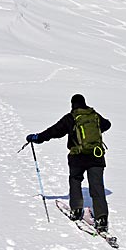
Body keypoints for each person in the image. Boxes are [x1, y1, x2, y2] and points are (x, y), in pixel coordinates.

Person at [26, 94, 112, 231]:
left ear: (73, 104)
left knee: (75, 180)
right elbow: (107, 124)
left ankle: (77, 210)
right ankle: (102, 219)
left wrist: (37, 138)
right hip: (97, 156)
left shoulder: (70, 118)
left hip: (78, 157)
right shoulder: (94, 115)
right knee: (97, 187)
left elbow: (54, 131)